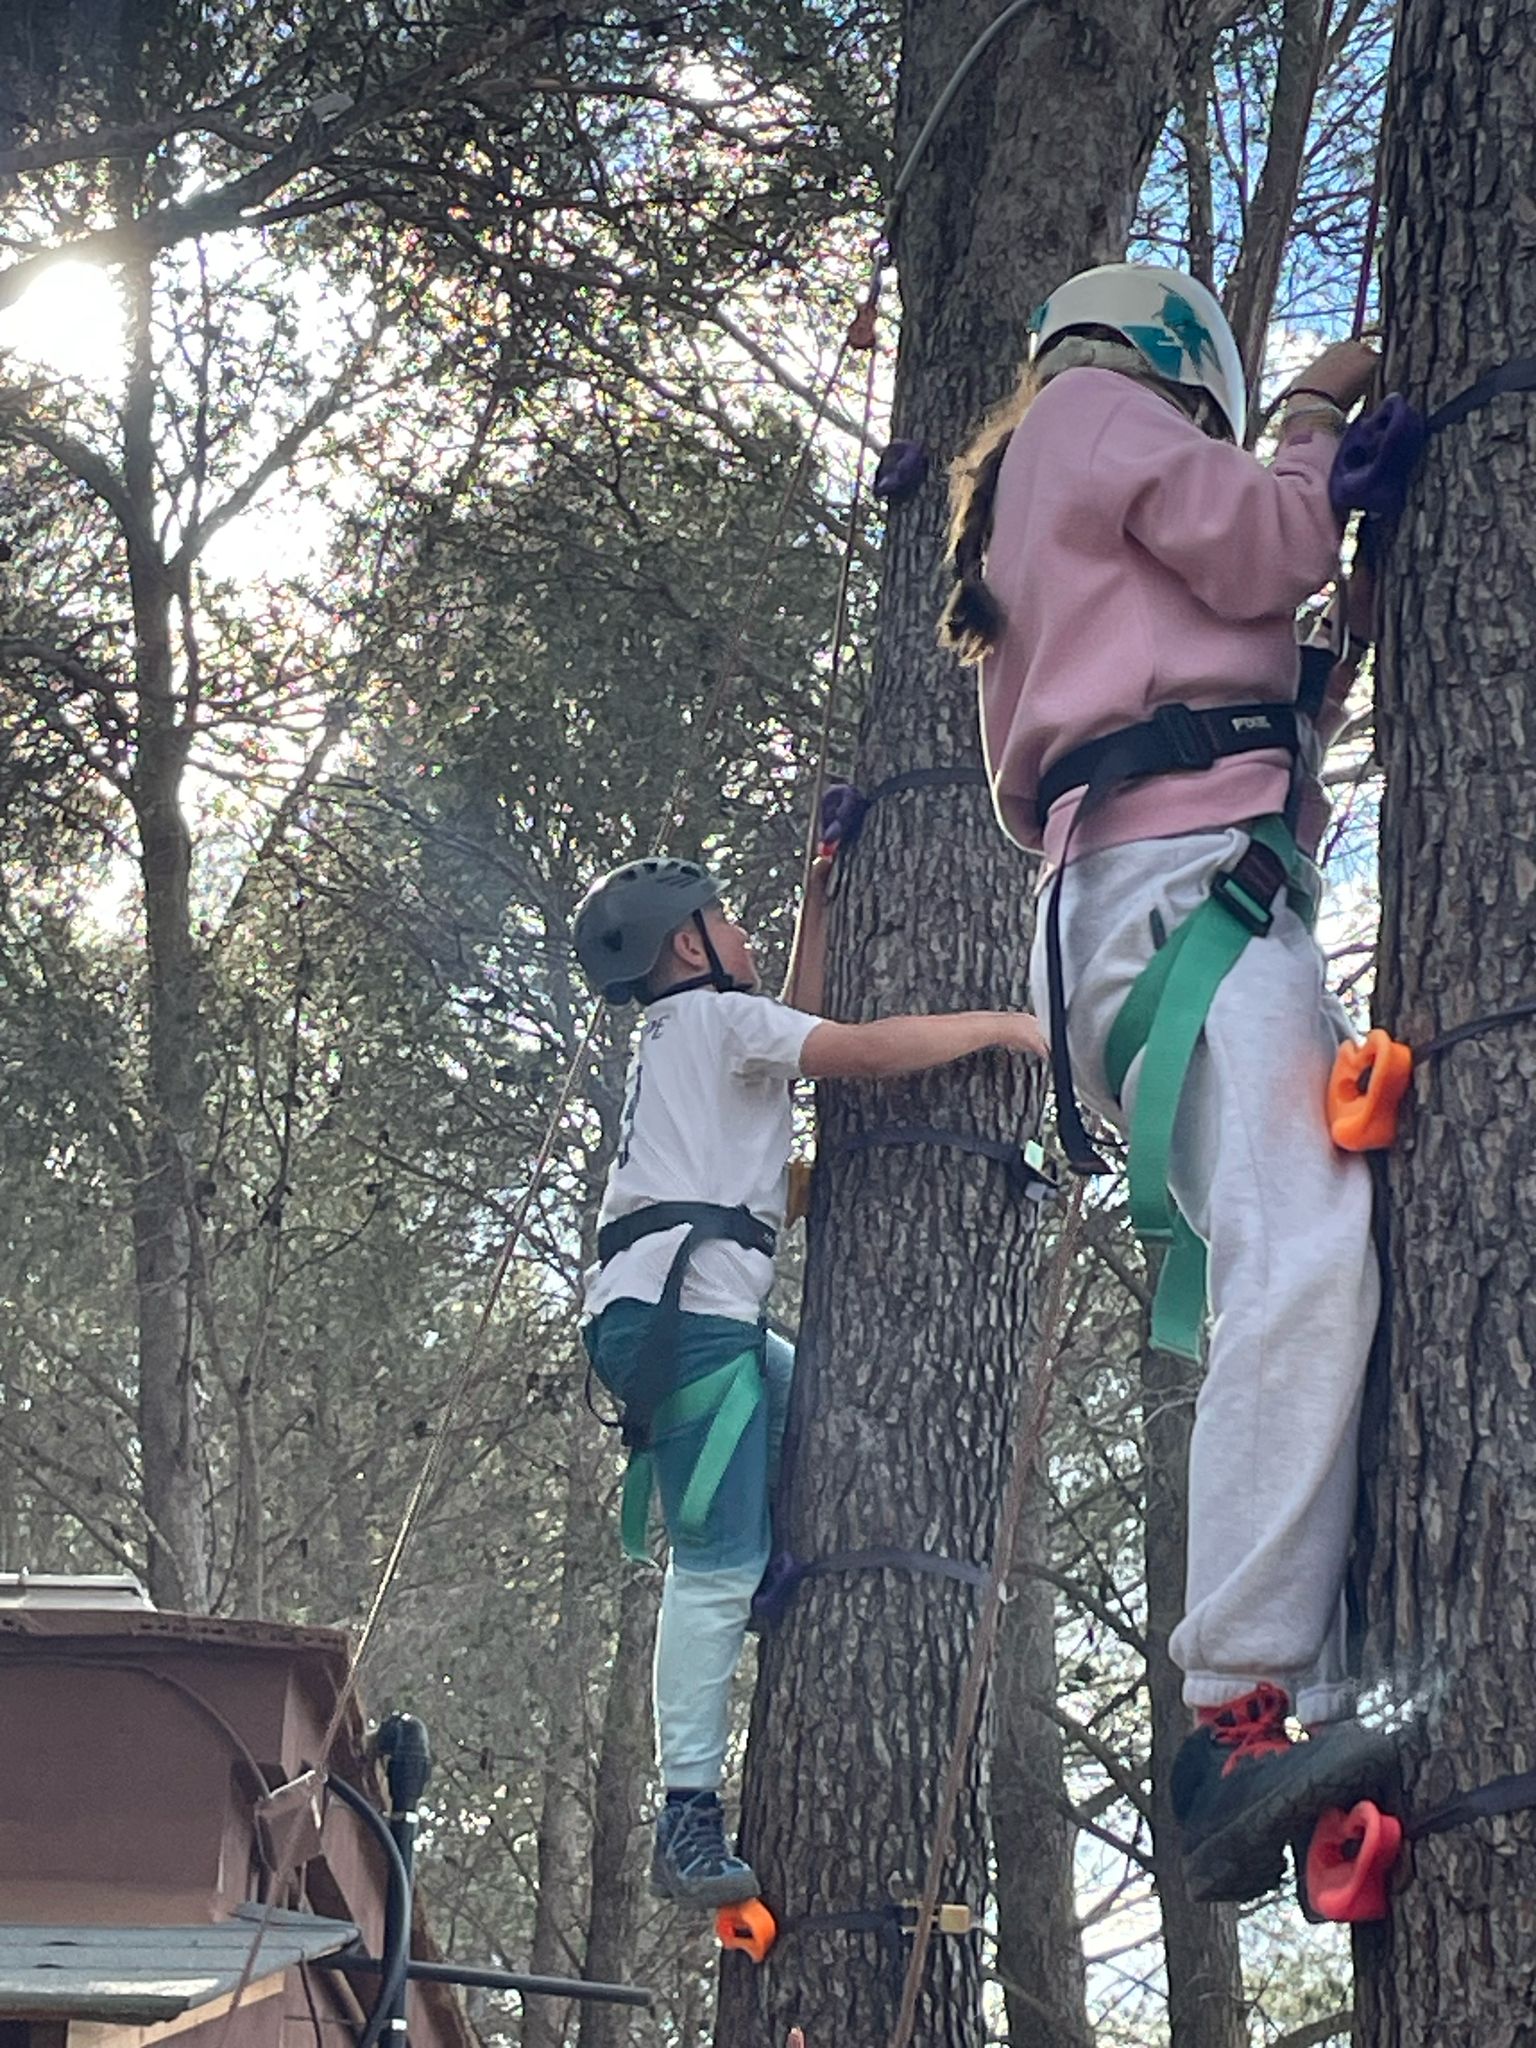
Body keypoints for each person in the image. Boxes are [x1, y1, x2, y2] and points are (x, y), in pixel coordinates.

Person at [942, 261, 1394, 1903]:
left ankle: (1293, 1695)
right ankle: (1238, 1713)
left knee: (1300, 1252)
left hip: (1149, 902)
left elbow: (1238, 634)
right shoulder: (1092, 411)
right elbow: (1266, 541)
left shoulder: (1052, 487)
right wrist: (1314, 420)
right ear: (1179, 371)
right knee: (1305, 1248)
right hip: (1178, 892)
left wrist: (1326, 649)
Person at [573, 853, 1045, 1906]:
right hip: (687, 1325)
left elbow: (799, 1020)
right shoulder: (720, 1025)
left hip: (676, 1318)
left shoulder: (699, 1031)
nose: (743, 932)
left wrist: (823, 901)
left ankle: (758, 1576)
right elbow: (858, 1049)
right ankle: (686, 1813)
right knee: (712, 1564)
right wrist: (1005, 1025)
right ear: (689, 942)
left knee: (817, 1401)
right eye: (728, 918)